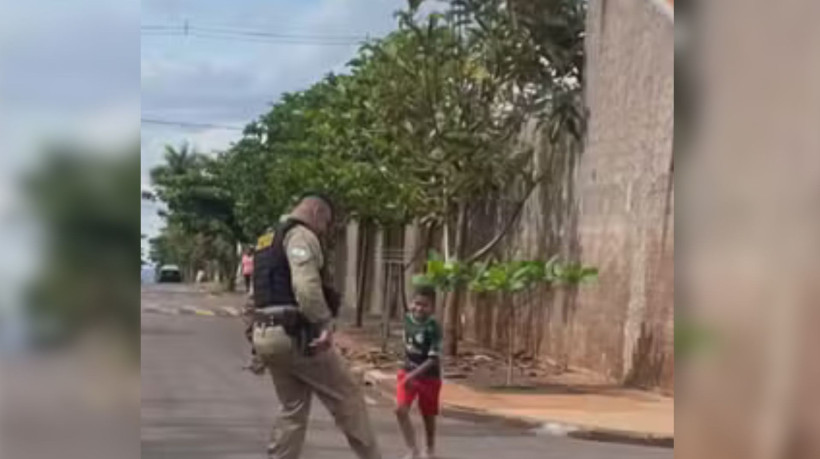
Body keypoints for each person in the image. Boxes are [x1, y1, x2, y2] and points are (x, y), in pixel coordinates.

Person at [250, 193, 381, 459]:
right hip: (295, 334)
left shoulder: (266, 240)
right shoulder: (300, 235)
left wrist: (253, 337)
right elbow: (306, 287)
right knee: (348, 397)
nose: (325, 230)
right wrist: (323, 323)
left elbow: (255, 293)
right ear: (316, 212)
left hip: (266, 333)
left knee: (293, 408)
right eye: (326, 223)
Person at [395, 284, 443, 459]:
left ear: (432, 308)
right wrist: (404, 367)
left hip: (428, 377)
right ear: (410, 303)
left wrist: (412, 375)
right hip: (407, 372)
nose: (419, 308)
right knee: (400, 410)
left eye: (425, 305)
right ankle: (412, 449)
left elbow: (433, 359)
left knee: (428, 414)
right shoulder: (407, 319)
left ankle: (429, 448)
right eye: (416, 303)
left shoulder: (434, 327)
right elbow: (407, 344)